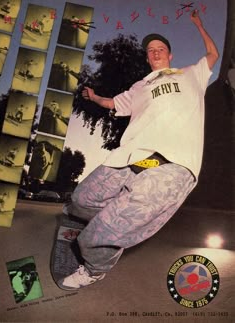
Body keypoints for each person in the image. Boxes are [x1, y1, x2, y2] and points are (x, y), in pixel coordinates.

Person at [57, 10, 219, 290]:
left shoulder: (191, 74)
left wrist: (198, 24)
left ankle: (96, 266)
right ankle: (102, 221)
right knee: (82, 199)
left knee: (102, 231)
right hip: (135, 158)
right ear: (147, 58)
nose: (155, 52)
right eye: (151, 51)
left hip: (172, 164)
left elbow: (213, 53)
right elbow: (114, 104)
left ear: (169, 55)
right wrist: (95, 97)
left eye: (161, 49)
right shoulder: (139, 86)